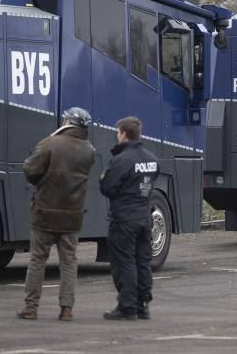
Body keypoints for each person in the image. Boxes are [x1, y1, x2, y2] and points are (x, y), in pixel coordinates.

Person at [17, 107, 96, 321]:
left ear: (68, 121)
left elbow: (30, 170)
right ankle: (66, 309)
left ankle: (31, 308)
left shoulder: (49, 144)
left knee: (37, 260)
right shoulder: (89, 151)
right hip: (72, 216)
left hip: (44, 214)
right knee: (69, 262)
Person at [100, 116, 159, 320]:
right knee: (142, 262)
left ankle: (127, 306)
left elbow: (107, 187)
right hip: (144, 217)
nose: (117, 136)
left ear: (124, 134)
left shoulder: (122, 159)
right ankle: (143, 305)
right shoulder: (151, 158)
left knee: (123, 262)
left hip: (124, 219)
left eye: (118, 133)